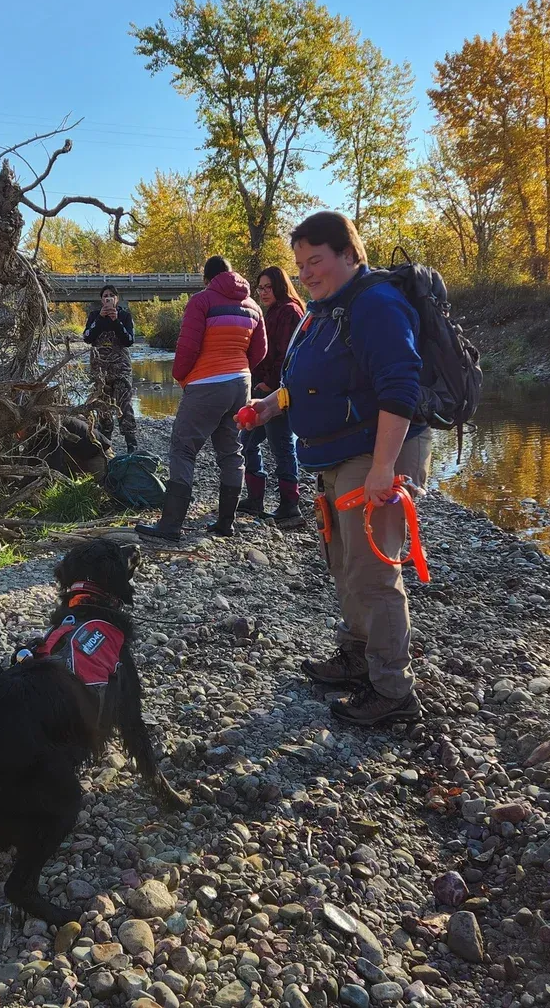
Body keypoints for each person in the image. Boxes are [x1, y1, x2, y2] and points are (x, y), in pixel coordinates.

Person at [239, 211, 430, 726]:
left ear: (350, 254)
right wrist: (270, 407)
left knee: (372, 570)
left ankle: (393, 690)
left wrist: (384, 469)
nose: (306, 273)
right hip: (336, 455)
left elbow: (401, 387)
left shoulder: (376, 304)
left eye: (316, 260)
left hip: (375, 454)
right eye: (300, 264)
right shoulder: (323, 310)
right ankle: (356, 656)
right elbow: (304, 381)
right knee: (343, 561)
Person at [137, 256, 265, 542]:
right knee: (231, 451)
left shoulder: (202, 301)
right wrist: (240, 370)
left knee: (183, 449)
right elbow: (261, 351)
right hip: (240, 382)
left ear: (207, 279)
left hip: (207, 381)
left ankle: (170, 525)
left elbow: (188, 346)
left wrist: (182, 377)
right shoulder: (253, 306)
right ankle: (225, 523)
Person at [240, 265, 306, 524]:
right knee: (246, 442)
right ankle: (255, 498)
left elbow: (287, 355)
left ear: (279, 286)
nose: (264, 292)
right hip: (265, 389)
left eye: (269, 287)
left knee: (281, 447)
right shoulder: (275, 311)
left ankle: (291, 507)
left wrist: (269, 383)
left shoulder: (289, 311)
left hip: (279, 392)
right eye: (261, 287)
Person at [82, 285, 137, 454]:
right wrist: (100, 319)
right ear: (101, 300)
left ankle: (131, 446)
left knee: (125, 407)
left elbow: (129, 340)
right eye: (105, 296)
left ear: (117, 299)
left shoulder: (125, 316)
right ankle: (105, 448)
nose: (108, 298)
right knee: (103, 410)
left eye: (111, 295)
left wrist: (116, 321)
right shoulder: (94, 316)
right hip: (100, 372)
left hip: (121, 370)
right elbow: (87, 337)